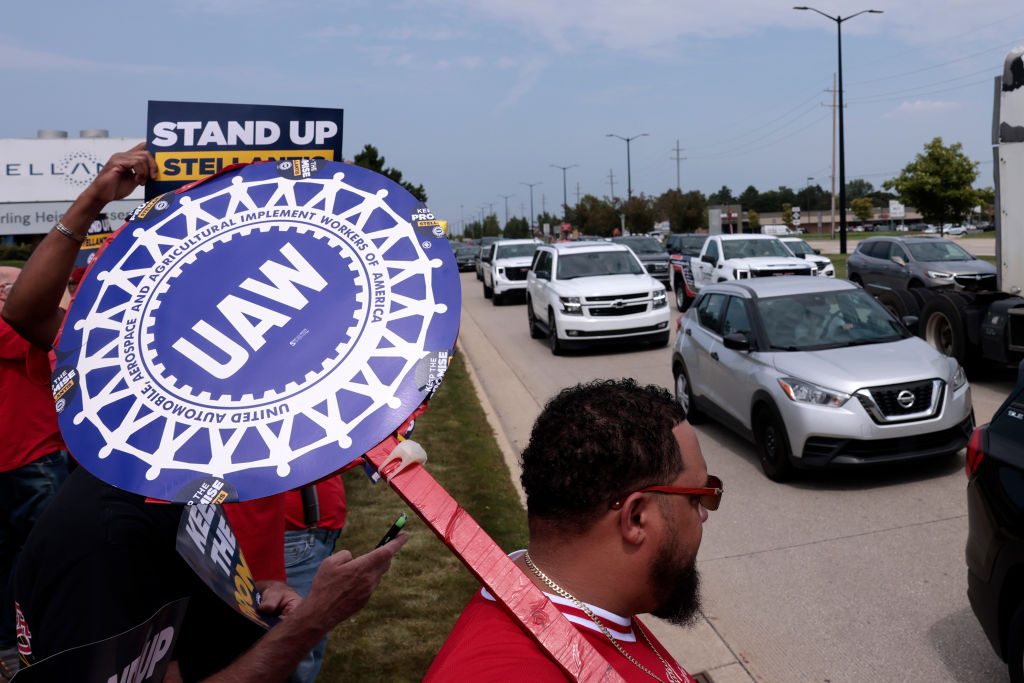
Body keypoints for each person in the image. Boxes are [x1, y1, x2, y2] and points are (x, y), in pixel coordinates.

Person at [3, 144, 407, 680]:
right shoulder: (114, 529)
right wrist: (313, 621)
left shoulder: (176, 477)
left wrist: (256, 584)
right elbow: (28, 314)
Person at [424, 379, 721, 682]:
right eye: (697, 497)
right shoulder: (505, 672)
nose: (703, 514)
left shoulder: (595, 605)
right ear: (635, 518)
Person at [0, 267, 73, 682]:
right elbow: (49, 338)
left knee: (17, 556)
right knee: (43, 558)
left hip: (27, 456)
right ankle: (36, 643)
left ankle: (15, 644)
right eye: (8, 287)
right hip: (30, 458)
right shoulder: (13, 325)